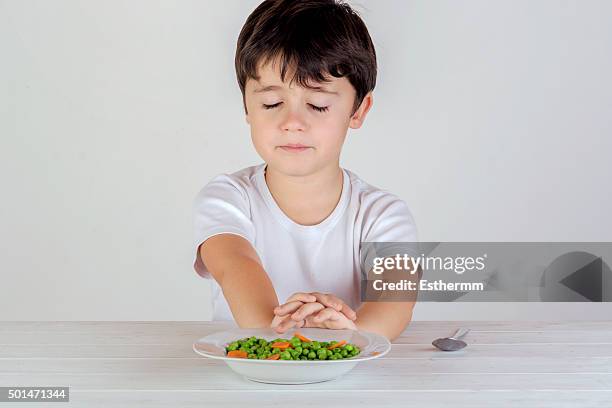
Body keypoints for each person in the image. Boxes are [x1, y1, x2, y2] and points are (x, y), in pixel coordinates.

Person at [193, 0, 418, 341]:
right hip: (245, 383)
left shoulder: (383, 214)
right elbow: (235, 267)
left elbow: (395, 303)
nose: (293, 123)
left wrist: (346, 337)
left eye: (318, 105)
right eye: (271, 103)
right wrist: (290, 330)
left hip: (349, 381)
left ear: (358, 110)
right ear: (247, 106)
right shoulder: (227, 198)